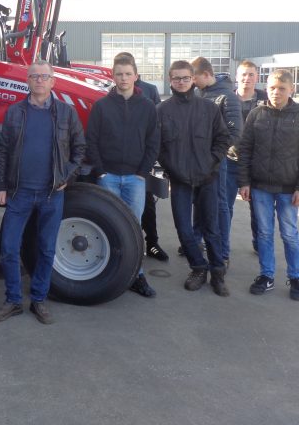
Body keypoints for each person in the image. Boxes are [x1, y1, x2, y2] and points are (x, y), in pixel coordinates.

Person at [0, 60, 85, 324]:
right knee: (9, 248)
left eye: (44, 76)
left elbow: (79, 149)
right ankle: (13, 300)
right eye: (34, 76)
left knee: (45, 249)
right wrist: (0, 186)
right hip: (19, 193)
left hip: (51, 194)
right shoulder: (15, 112)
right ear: (28, 81)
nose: (39, 80)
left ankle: (39, 300)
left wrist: (68, 176)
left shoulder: (66, 113)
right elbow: (3, 151)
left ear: (53, 81)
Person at [238, 69, 299, 301]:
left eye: (282, 88)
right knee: (264, 234)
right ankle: (266, 275)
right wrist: (244, 182)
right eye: (272, 88)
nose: (276, 92)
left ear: (291, 89)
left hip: (288, 190)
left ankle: (296, 277)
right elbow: (246, 151)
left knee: (289, 234)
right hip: (260, 188)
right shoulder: (256, 114)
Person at [87, 53, 159, 297]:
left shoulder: (147, 107)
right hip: (108, 177)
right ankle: (112, 273)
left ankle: (137, 276)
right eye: (119, 74)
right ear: (113, 76)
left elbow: (153, 142)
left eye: (128, 74)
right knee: (110, 226)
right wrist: (101, 171)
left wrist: (142, 173)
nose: (124, 78)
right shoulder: (102, 106)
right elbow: (92, 140)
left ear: (136, 76)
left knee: (134, 228)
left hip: (134, 179)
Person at [157, 60, 230, 296]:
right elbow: (157, 146)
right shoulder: (162, 111)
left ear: (193, 79)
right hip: (180, 180)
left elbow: (222, 139)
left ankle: (218, 272)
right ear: (170, 81)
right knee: (184, 229)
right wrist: (171, 167)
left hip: (207, 178)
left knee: (212, 228)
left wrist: (211, 163)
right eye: (176, 78)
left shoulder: (208, 109)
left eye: (185, 78)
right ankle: (198, 267)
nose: (181, 82)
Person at [191, 57, 243, 266]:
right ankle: (196, 242)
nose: (192, 82)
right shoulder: (199, 94)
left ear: (206, 74)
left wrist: (214, 155)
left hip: (217, 162)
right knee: (199, 202)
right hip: (198, 161)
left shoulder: (227, 97)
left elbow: (234, 132)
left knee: (220, 204)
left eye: (194, 78)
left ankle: (222, 251)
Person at [226, 60, 268, 253]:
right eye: (243, 74)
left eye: (251, 74)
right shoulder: (226, 99)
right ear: (237, 77)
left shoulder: (267, 101)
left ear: (257, 77)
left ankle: (259, 243)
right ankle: (221, 245)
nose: (247, 78)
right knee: (224, 207)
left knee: (258, 209)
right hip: (230, 162)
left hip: (256, 164)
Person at [135, 71, 168, 261]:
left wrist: (149, 160)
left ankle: (152, 243)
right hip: (120, 164)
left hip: (143, 162)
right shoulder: (110, 96)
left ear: (136, 74)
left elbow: (156, 127)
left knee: (148, 204)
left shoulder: (149, 92)